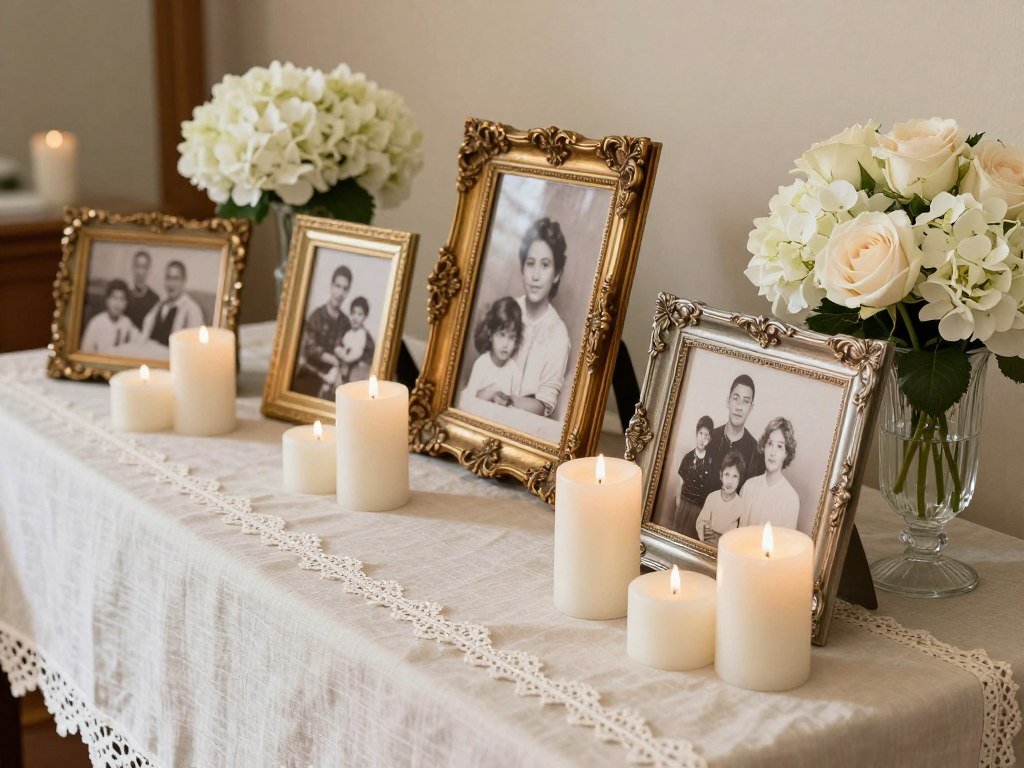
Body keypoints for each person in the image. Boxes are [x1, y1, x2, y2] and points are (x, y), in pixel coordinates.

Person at [507, 218, 571, 419]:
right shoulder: (506, 311)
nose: (535, 276)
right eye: (530, 263)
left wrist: (505, 400)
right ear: (522, 268)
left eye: (545, 265)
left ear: (556, 275)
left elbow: (544, 405)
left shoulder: (558, 336)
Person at [292, 265, 352, 398]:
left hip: (334, 381)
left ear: (348, 292)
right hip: (310, 376)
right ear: (331, 286)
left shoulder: (346, 322)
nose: (340, 293)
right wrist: (334, 360)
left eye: (345, 289)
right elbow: (310, 348)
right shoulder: (316, 316)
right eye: (337, 286)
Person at [460, 296, 523, 405]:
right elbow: (469, 400)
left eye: (511, 337)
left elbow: (514, 408)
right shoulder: (482, 364)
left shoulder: (515, 372)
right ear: (490, 334)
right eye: (501, 335)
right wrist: (491, 391)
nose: (506, 344)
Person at [660, 415, 715, 539]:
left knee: (692, 540)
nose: (702, 438)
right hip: (684, 506)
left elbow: (709, 491)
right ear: (696, 434)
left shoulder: (710, 462)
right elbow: (680, 486)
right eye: (701, 433)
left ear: (710, 439)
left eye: (706, 435)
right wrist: (679, 509)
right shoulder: (688, 458)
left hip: (699, 510)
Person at [707, 374, 763, 495]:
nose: (739, 407)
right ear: (728, 401)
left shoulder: (756, 454)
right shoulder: (709, 438)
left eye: (746, 401)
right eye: (736, 398)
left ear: (751, 408)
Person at [741, 417, 800, 529]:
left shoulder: (791, 499)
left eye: (779, 446)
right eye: (770, 444)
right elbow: (737, 535)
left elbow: (785, 544)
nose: (772, 452)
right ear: (764, 447)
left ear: (786, 453)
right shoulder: (749, 487)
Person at [319, 296, 376, 395]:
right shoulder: (348, 333)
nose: (355, 317)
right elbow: (338, 348)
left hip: (354, 370)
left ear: (365, 317)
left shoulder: (362, 334)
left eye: (360, 314)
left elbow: (354, 354)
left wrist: (343, 354)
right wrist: (340, 352)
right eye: (353, 313)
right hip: (342, 367)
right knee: (331, 376)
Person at [141, 260, 206, 346]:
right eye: (168, 278)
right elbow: (145, 334)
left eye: (176, 279)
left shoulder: (192, 309)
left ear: (183, 281)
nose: (171, 284)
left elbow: (196, 345)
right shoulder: (159, 305)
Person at [695, 450, 747, 546]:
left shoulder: (741, 505)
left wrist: (724, 542)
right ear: (721, 475)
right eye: (727, 474)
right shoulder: (712, 497)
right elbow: (701, 522)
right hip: (707, 543)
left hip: (727, 546)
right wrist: (712, 538)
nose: (729, 481)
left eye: (735, 476)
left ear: (740, 480)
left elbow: (740, 533)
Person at [80, 279, 135, 354]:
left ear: (126, 303)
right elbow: (85, 351)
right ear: (107, 300)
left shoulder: (127, 323)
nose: (117, 303)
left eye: (122, 299)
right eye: (114, 298)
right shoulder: (96, 323)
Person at [125, 250, 160, 331]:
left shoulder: (154, 299)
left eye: (144, 267)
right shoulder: (125, 296)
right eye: (137, 266)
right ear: (133, 268)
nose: (140, 272)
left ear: (149, 270)